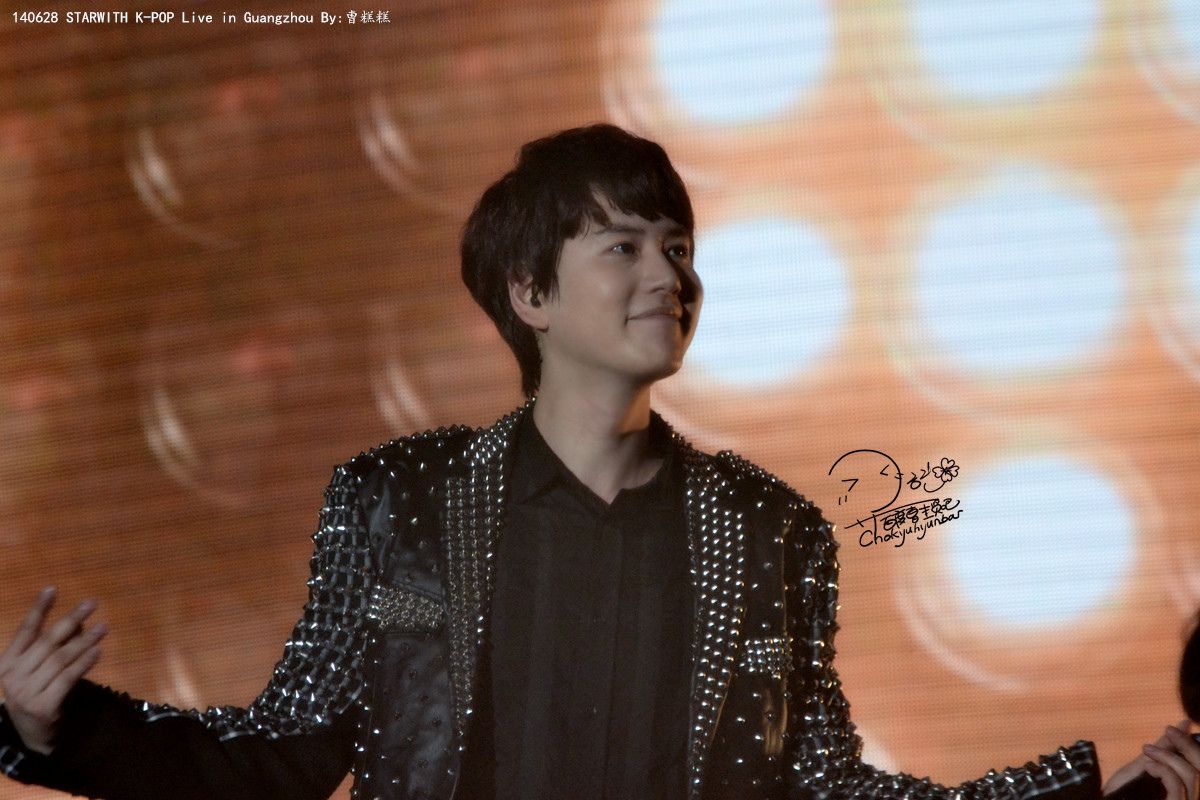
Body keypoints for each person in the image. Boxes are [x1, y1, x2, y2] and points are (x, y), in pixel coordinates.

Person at [0, 124, 1195, 800]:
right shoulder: (399, 498)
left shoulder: (772, 529)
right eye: (623, 245)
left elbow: (829, 788)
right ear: (529, 292)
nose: (669, 274)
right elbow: (287, 753)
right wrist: (58, 727)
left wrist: (1100, 793)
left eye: (679, 246)